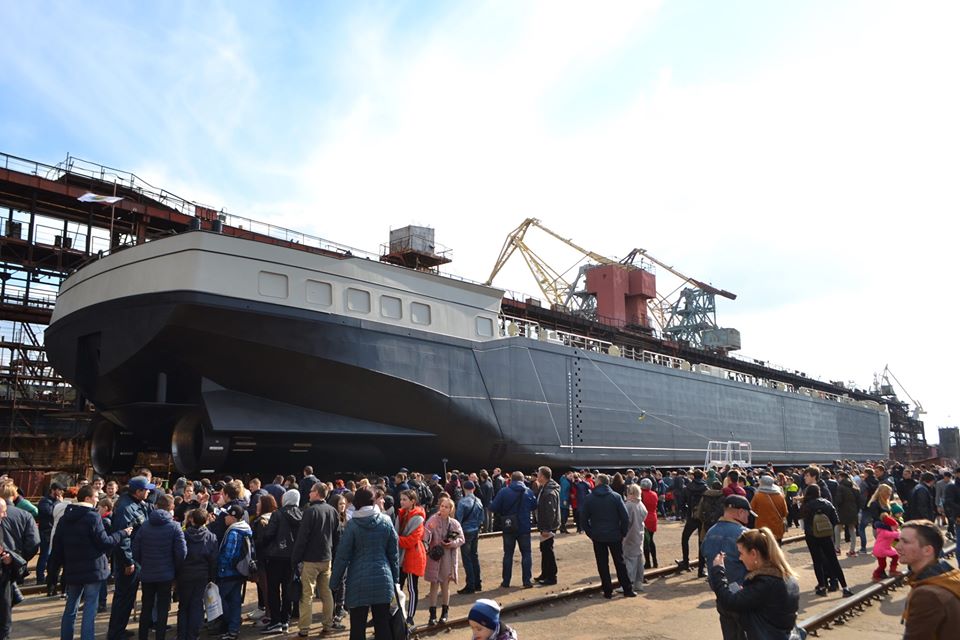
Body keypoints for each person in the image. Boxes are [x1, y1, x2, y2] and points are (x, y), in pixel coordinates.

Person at [50, 484, 131, 640]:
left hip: (73, 569)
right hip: (93, 569)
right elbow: (105, 542)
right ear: (87, 498)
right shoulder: (92, 517)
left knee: (71, 607)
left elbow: (57, 546)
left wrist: (54, 570)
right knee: (90, 608)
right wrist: (122, 533)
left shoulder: (65, 517)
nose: (97, 500)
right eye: (95, 497)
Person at [330, 487, 400, 640]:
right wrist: (395, 581)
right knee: (383, 625)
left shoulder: (353, 525)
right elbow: (393, 555)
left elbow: (342, 556)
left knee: (357, 627)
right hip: (383, 577)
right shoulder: (386, 521)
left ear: (356, 503)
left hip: (358, 580)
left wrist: (334, 582)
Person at [708, 528, 800, 640]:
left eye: (741, 553)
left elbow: (729, 602)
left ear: (753, 554)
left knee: (724, 607)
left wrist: (718, 571)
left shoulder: (765, 583)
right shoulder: (786, 577)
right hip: (782, 634)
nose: (740, 558)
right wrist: (746, 592)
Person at [291, 480, 344, 635]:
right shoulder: (332, 511)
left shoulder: (310, 511)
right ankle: (327, 624)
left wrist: (295, 558)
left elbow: (302, 538)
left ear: (317, 493)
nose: (309, 493)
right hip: (326, 558)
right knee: (327, 593)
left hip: (310, 560)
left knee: (307, 594)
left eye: (311, 491)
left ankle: (304, 628)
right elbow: (337, 536)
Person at [133, 494, 186, 640]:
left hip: (148, 573)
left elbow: (136, 550)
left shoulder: (145, 526)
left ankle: (142, 637)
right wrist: (175, 568)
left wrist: (144, 563)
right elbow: (181, 552)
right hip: (166, 574)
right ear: (171, 507)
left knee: (146, 607)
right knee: (163, 609)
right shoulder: (175, 527)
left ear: (156, 506)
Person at [107, 476, 155, 640]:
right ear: (137, 491)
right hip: (129, 559)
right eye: (146, 489)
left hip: (136, 557)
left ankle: (120, 628)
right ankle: (115, 632)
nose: (149, 491)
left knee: (128, 597)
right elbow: (123, 538)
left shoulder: (137, 504)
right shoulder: (125, 508)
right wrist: (128, 561)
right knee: (124, 596)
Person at [701, 495, 752, 640]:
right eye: (748, 513)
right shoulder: (744, 534)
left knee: (729, 634)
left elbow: (705, 556)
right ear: (741, 512)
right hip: (742, 596)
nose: (749, 516)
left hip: (721, 594)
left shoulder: (711, 532)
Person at [898, 519, 960, 639]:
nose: (897, 546)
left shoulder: (927, 595)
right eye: (897, 540)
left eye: (905, 542)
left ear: (927, 550)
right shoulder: (948, 576)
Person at [581, 474, 636, 599]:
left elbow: (583, 519)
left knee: (602, 564)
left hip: (598, 536)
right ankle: (628, 589)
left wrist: (591, 533)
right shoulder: (616, 497)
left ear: (599, 483)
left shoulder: (589, 498)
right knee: (620, 563)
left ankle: (607, 591)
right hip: (615, 535)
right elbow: (625, 517)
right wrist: (623, 533)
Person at [800, 484, 852, 597]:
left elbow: (801, 518)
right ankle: (845, 587)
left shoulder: (806, 505)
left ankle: (822, 586)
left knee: (817, 561)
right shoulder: (827, 503)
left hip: (811, 536)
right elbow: (836, 520)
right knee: (833, 561)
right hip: (826, 536)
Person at [261, 491, 302, 634]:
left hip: (275, 556)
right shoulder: (301, 514)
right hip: (293, 558)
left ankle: (275, 621)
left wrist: (264, 544)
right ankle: (285, 620)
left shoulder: (277, 514)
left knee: (273, 590)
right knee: (287, 589)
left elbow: (269, 535)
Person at [489, 471, 537, 589]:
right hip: (524, 527)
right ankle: (527, 581)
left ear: (511, 479)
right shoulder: (528, 492)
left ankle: (506, 581)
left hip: (509, 527)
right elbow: (534, 506)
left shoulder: (504, 492)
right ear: (522, 480)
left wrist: (503, 511)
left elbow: (493, 507)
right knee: (526, 553)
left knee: (508, 554)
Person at [177, 509, 218, 640]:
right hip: (202, 575)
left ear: (191, 519)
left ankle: (182, 635)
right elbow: (213, 560)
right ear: (206, 521)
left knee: (183, 606)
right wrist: (212, 578)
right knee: (197, 605)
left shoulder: (183, 535)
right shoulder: (211, 537)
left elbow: (178, 555)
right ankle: (193, 635)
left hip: (185, 575)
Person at [424, 496, 465, 624]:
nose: (443, 508)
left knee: (445, 584)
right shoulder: (432, 520)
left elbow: (461, 539)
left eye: (446, 507)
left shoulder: (454, 524)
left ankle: (445, 612)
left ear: (451, 509)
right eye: (442, 506)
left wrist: (451, 543)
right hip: (434, 557)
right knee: (434, 584)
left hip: (447, 557)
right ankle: (432, 615)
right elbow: (425, 537)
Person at [217, 504, 253, 640]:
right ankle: (233, 629)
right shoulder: (245, 529)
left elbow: (228, 554)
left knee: (220, 599)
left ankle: (232, 623)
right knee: (235, 601)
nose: (224, 517)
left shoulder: (233, 532)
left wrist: (219, 568)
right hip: (240, 571)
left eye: (227, 515)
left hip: (228, 573)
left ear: (232, 517)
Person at [396, 490, 426, 626]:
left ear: (413, 501)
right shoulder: (401, 514)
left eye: (405, 499)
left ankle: (410, 616)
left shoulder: (418, 518)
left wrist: (395, 539)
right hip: (402, 556)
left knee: (412, 588)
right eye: (401, 499)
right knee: (398, 587)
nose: (402, 502)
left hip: (413, 556)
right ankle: (398, 614)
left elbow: (411, 540)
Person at [251, 493, 278, 626]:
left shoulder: (261, 521)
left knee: (266, 588)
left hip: (263, 560)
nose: (257, 505)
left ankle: (269, 615)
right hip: (276, 559)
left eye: (259, 503)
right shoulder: (277, 517)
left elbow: (260, 542)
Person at [533, 467, 560, 587]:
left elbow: (550, 511)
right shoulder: (545, 488)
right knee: (544, 549)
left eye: (538, 474)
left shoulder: (549, 492)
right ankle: (545, 573)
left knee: (548, 550)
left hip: (548, 526)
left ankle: (551, 576)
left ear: (543, 476)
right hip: (545, 525)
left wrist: (547, 529)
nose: (537, 476)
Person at [456, 480, 484, 594]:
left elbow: (458, 520)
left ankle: (470, 585)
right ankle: (478, 583)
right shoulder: (479, 501)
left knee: (467, 559)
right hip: (475, 531)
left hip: (465, 531)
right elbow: (482, 519)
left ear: (464, 489)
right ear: (474, 489)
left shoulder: (462, 502)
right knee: (474, 556)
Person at [677, 469, 707, 571]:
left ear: (693, 476)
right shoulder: (705, 488)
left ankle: (685, 562)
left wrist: (687, 512)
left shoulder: (687, 488)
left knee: (685, 538)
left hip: (691, 517)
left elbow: (681, 503)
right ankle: (701, 569)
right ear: (702, 476)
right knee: (701, 542)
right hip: (702, 518)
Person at [37, 481, 65, 585]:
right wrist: (58, 503)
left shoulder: (56, 501)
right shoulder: (45, 501)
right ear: (53, 490)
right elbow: (50, 512)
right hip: (46, 531)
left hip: (54, 531)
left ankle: (50, 576)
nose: (61, 492)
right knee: (45, 554)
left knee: (52, 555)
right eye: (59, 490)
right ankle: (40, 578)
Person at [622, 484, 648, 591]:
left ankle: (628, 584)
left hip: (630, 536)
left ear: (630, 493)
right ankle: (638, 583)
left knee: (629, 560)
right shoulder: (641, 504)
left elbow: (625, 522)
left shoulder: (629, 505)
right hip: (639, 533)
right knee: (638, 560)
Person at [751, 475, 788, 543]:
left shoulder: (757, 496)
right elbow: (785, 512)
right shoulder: (780, 496)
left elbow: (752, 510)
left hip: (762, 529)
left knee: (763, 550)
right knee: (776, 550)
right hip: (777, 529)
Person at [832, 471, 860, 556]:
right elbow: (859, 500)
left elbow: (839, 500)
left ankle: (837, 549)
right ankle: (852, 550)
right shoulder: (855, 487)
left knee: (837, 529)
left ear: (841, 477)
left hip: (842, 511)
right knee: (852, 529)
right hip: (853, 511)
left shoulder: (840, 487)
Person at [871, 514, 901, 581]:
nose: (896, 528)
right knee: (882, 565)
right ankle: (875, 575)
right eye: (895, 527)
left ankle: (892, 570)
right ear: (889, 526)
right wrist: (903, 534)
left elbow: (895, 535)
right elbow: (895, 535)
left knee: (895, 556)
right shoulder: (884, 532)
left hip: (886, 548)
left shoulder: (889, 530)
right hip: (880, 550)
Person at [639, 478, 659, 569]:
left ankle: (648, 562)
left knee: (645, 542)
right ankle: (655, 561)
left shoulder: (641, 494)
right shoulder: (654, 494)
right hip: (653, 517)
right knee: (651, 540)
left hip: (644, 519)